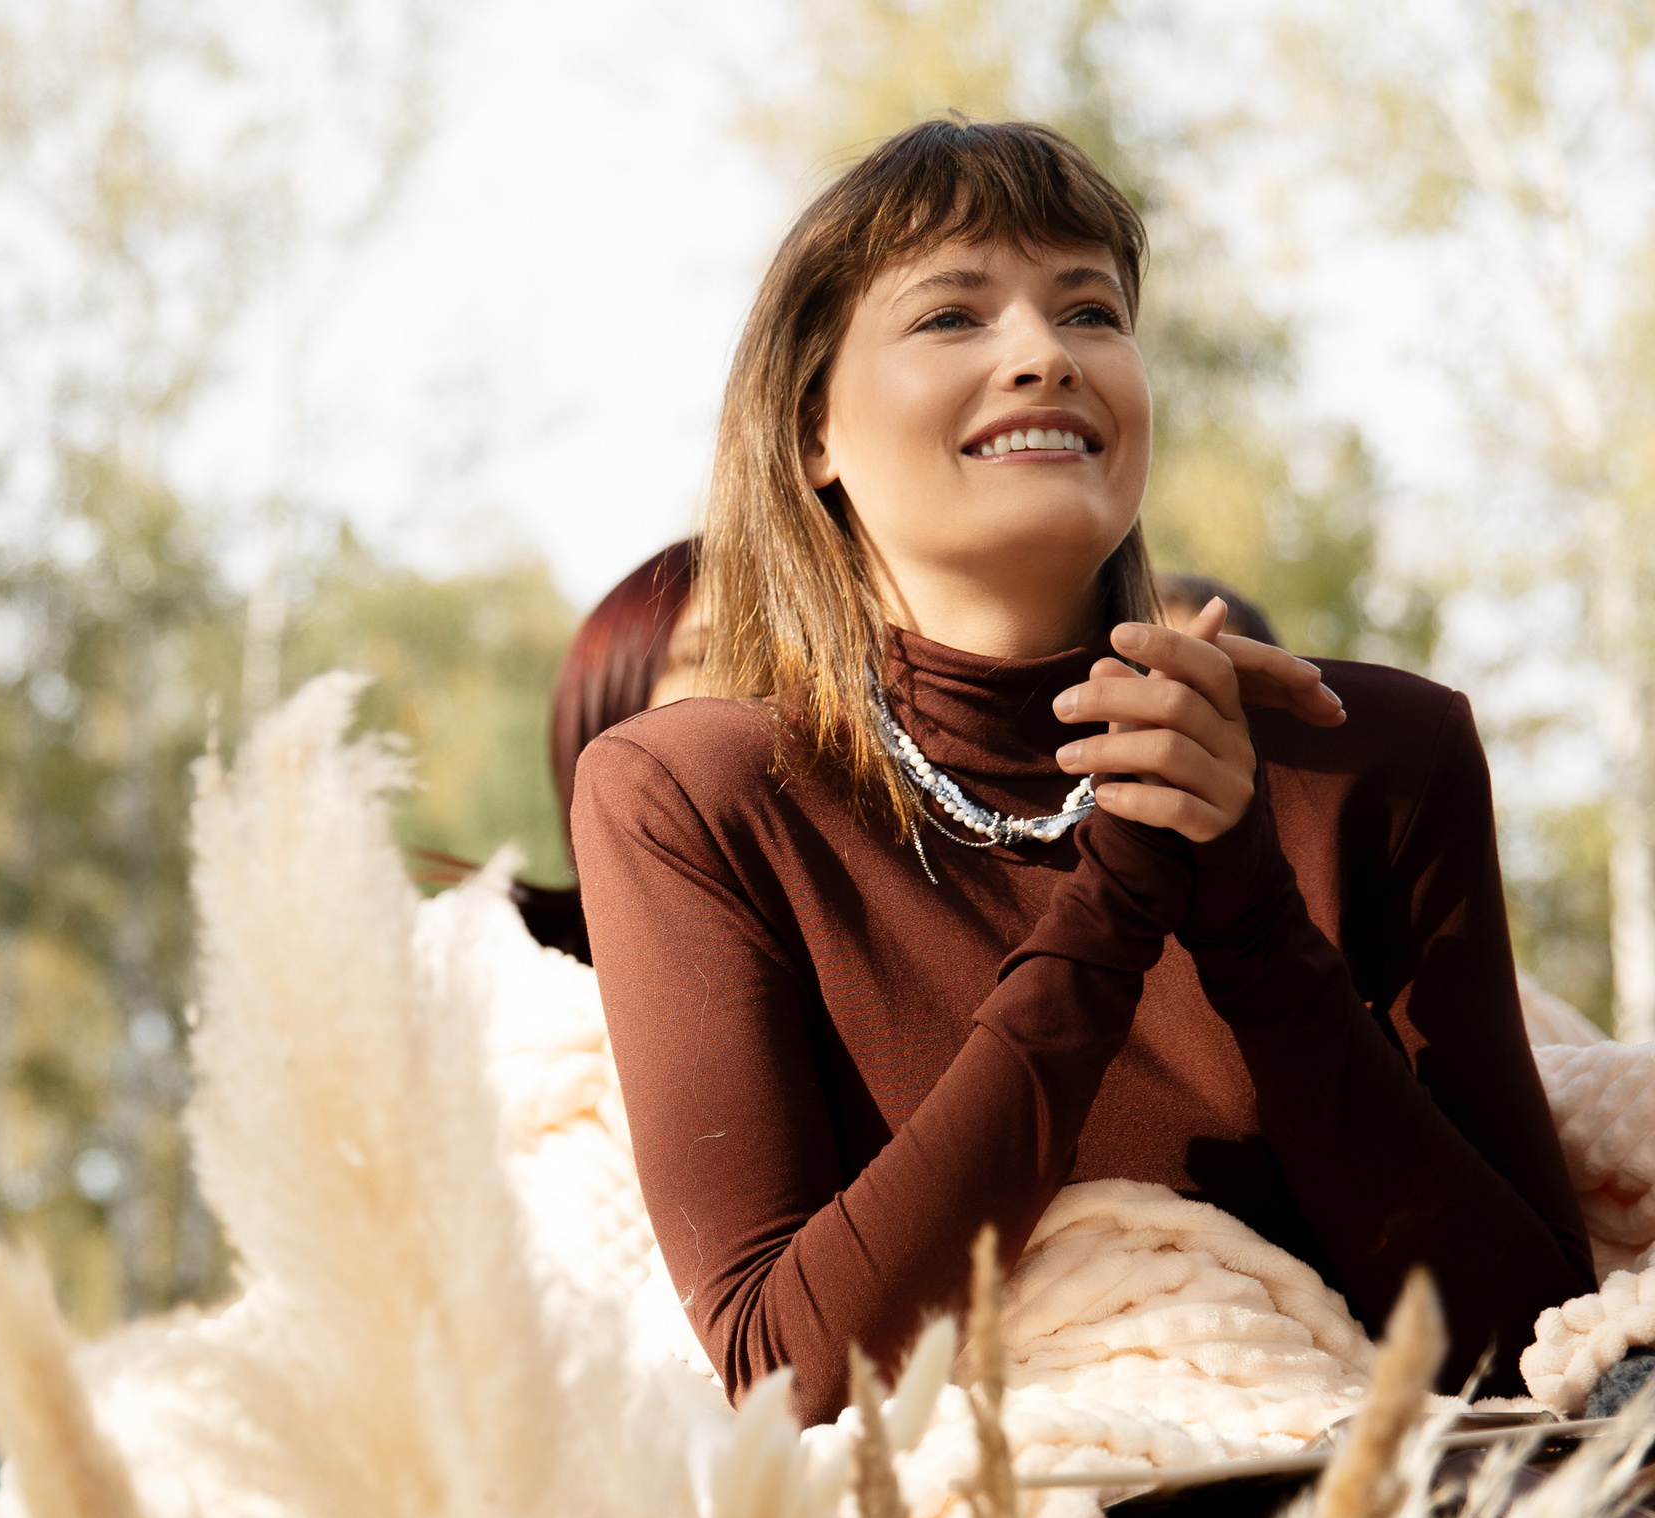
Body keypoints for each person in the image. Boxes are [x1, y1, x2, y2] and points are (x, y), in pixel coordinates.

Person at [570, 118, 1588, 1425]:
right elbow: (791, 1373)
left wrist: (1251, 906)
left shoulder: (1376, 754)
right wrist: (1120, 894)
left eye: (1090, 310)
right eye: (953, 317)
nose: (1044, 354)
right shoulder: (694, 796)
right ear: (813, 426)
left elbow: (1537, 1343)